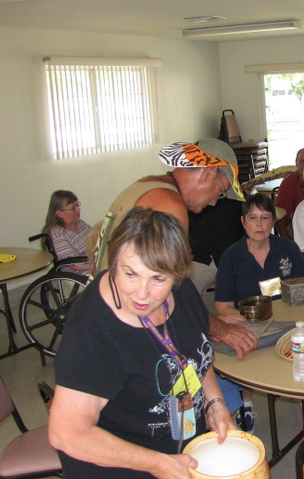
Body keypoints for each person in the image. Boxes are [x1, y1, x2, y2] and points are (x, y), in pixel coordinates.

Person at [49, 209, 236, 479]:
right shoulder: (92, 332)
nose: (141, 293)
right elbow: (67, 433)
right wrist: (158, 464)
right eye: (130, 274)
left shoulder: (183, 294)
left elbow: (196, 357)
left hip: (178, 472)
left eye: (158, 279)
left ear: (178, 273)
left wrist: (215, 403)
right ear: (113, 262)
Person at [88, 138, 257, 360]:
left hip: (98, 311)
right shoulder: (169, 205)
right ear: (208, 172)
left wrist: (209, 322)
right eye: (220, 191)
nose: (215, 202)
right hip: (120, 330)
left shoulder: (146, 185)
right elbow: (171, 292)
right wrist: (221, 330)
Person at [213, 193, 304, 431]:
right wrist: (241, 319)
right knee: (244, 356)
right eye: (253, 218)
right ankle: (246, 403)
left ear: (273, 221)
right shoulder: (231, 256)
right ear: (243, 222)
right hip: (251, 326)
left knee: (301, 355)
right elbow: (223, 306)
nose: (259, 224)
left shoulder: (288, 249)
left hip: (289, 323)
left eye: (265, 217)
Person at [187, 198, 245, 293]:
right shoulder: (189, 200)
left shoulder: (236, 201)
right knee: (183, 291)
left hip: (234, 260)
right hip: (199, 260)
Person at [42, 190, 91, 274]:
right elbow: (75, 265)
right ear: (60, 213)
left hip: (93, 264)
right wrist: (101, 265)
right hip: (79, 273)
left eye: (77, 205)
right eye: (73, 208)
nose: (78, 209)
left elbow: (98, 241)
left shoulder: (80, 223)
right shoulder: (58, 234)